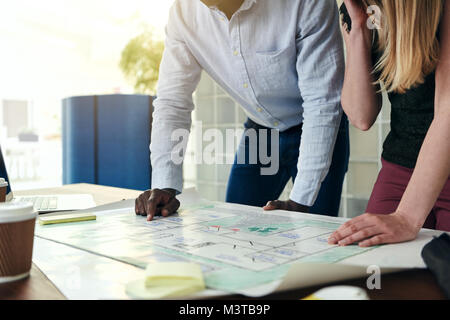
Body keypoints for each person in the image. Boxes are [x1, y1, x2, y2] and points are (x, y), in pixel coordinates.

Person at [135, 0, 349, 220]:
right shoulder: (183, 13)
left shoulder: (306, 3)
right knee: (237, 225)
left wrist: (301, 201)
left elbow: (322, 101)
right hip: (260, 129)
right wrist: (165, 185)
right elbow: (172, 101)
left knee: (315, 229)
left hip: (317, 124)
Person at [329, 0, 450, 247]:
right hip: (399, 167)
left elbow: (447, 109)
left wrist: (406, 217)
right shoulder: (362, 7)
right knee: (371, 267)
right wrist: (358, 31)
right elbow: (361, 116)